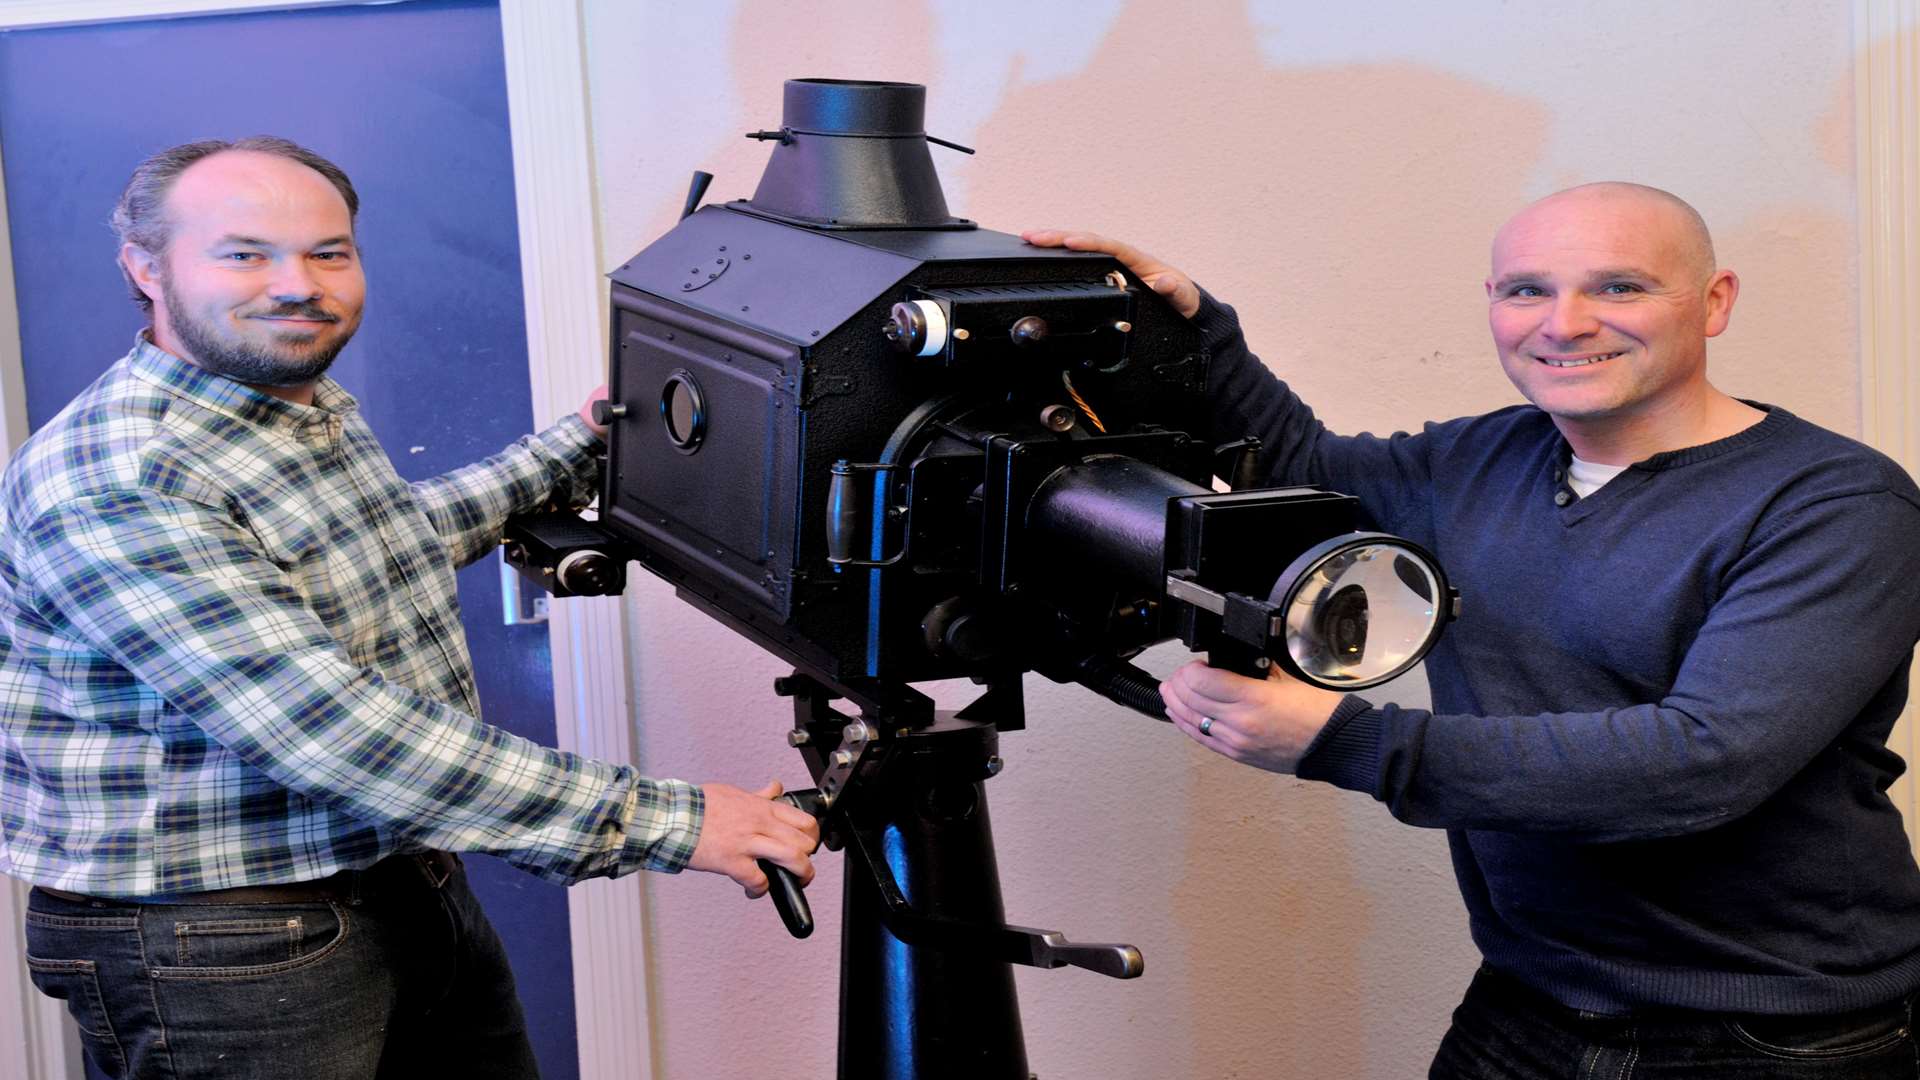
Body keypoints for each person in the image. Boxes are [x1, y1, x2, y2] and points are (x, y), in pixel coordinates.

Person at [1025, 182, 1920, 1078]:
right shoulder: (1486, 456)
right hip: (1529, 1003)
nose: (1565, 324)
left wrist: (1349, 744)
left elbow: (1702, 763)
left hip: (1779, 1035)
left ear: (1714, 301)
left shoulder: (1835, 505)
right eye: (1527, 290)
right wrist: (1196, 333)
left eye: (1620, 288)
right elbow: (1307, 471)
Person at [0, 136, 820, 1080]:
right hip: (225, 942)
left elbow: (381, 547)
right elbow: (330, 730)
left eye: (327, 252)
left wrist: (586, 445)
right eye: (243, 253)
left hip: (399, 881)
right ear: (145, 267)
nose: (295, 283)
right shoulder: (125, 475)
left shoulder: (283, 405)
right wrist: (675, 821)